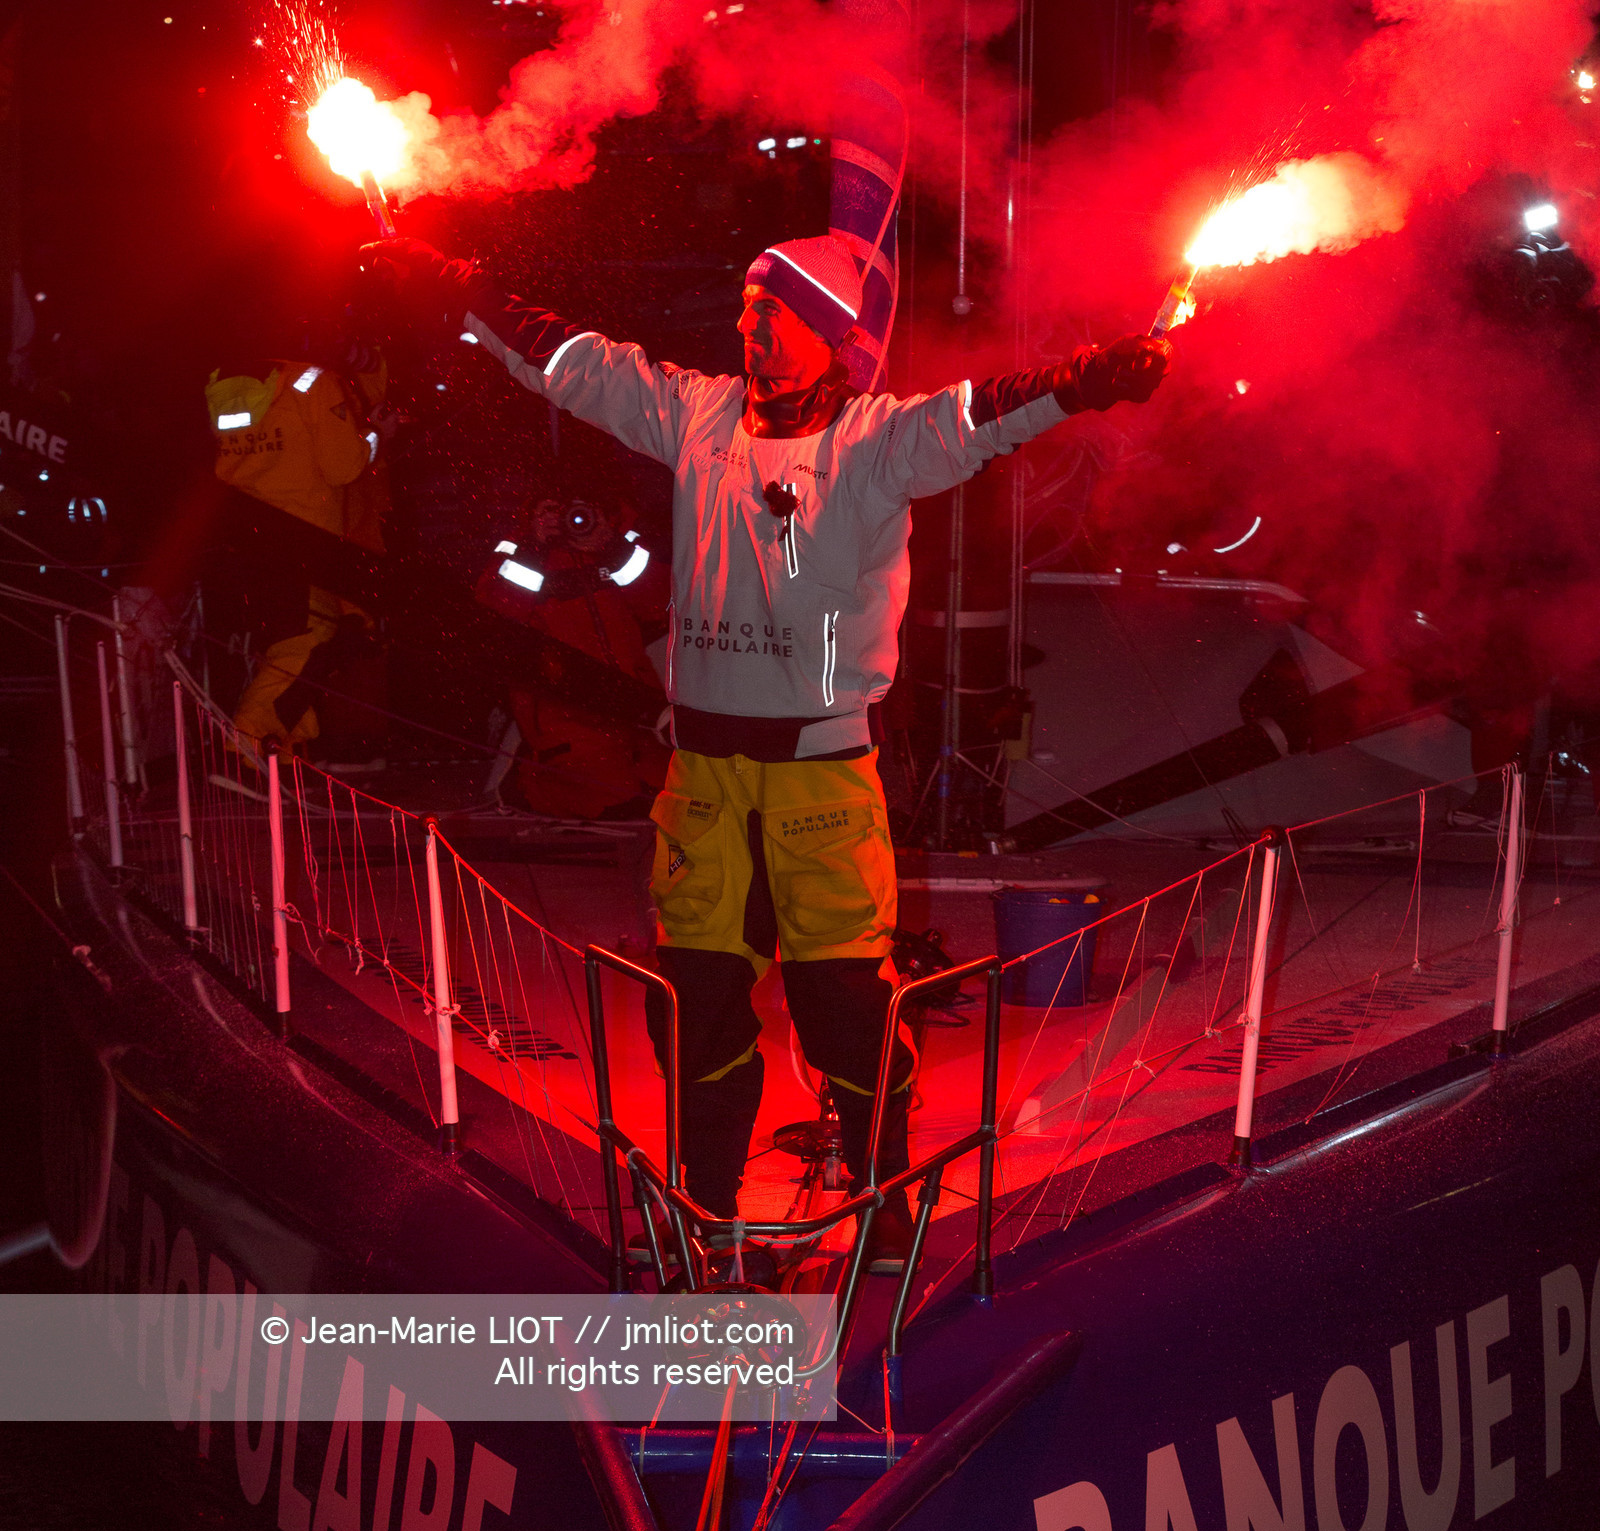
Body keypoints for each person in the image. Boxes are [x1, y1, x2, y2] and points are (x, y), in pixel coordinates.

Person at [364, 234, 1168, 1267]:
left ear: (829, 335)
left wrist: (1083, 382)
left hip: (820, 782)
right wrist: (461, 286)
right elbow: (572, 362)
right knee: (692, 1010)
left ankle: (881, 1199)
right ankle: (705, 1210)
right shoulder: (694, 412)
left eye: (774, 313)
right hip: (702, 782)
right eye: (745, 309)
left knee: (842, 1009)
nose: (751, 329)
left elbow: (976, 417)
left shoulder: (880, 443)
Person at [206, 347, 389, 756]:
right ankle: (249, 746)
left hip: (244, 535)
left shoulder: (222, 381)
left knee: (292, 643)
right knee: (309, 639)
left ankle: (287, 750)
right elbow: (344, 466)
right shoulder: (312, 381)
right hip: (303, 537)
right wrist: (377, 434)